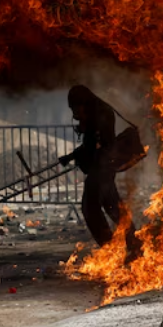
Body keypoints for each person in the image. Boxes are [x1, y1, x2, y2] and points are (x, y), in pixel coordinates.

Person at [58, 85, 136, 249]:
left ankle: (110, 247)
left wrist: (74, 155)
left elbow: (96, 145)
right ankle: (133, 242)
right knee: (113, 206)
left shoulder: (99, 114)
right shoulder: (97, 111)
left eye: (75, 107)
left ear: (82, 102)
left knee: (90, 206)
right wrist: (72, 156)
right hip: (103, 168)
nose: (75, 113)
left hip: (102, 168)